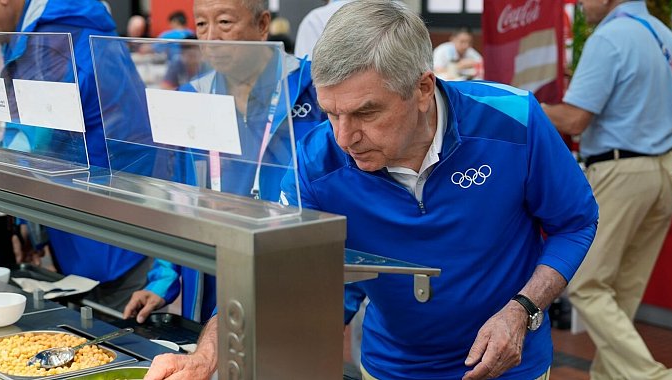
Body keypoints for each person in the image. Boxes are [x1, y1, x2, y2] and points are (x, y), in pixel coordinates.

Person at [143, 1, 599, 379]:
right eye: (330, 113)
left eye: (365, 113)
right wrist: (209, 354)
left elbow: (575, 222)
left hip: (509, 366)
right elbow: (270, 273)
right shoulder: (316, 161)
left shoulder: (513, 120)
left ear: (423, 88)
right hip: (391, 366)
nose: (344, 137)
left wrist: (522, 308)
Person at [122, 0, 327, 325]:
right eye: (202, 25)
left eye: (225, 22)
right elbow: (176, 197)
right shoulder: (192, 97)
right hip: (212, 270)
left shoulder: (313, 92)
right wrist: (163, 278)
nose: (212, 37)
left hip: (291, 269)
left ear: (262, 26)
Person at [0, 0, 151, 310]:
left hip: (103, 227)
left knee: (114, 331)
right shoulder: (42, 32)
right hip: (100, 217)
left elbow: (32, 144)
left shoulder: (51, 40)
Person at [542, 1, 672, 379]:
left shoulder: (609, 38)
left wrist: (525, 105)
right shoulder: (670, 40)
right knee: (623, 290)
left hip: (621, 171)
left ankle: (655, 376)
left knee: (585, 284)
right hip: (663, 173)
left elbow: (575, 119)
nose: (580, 3)